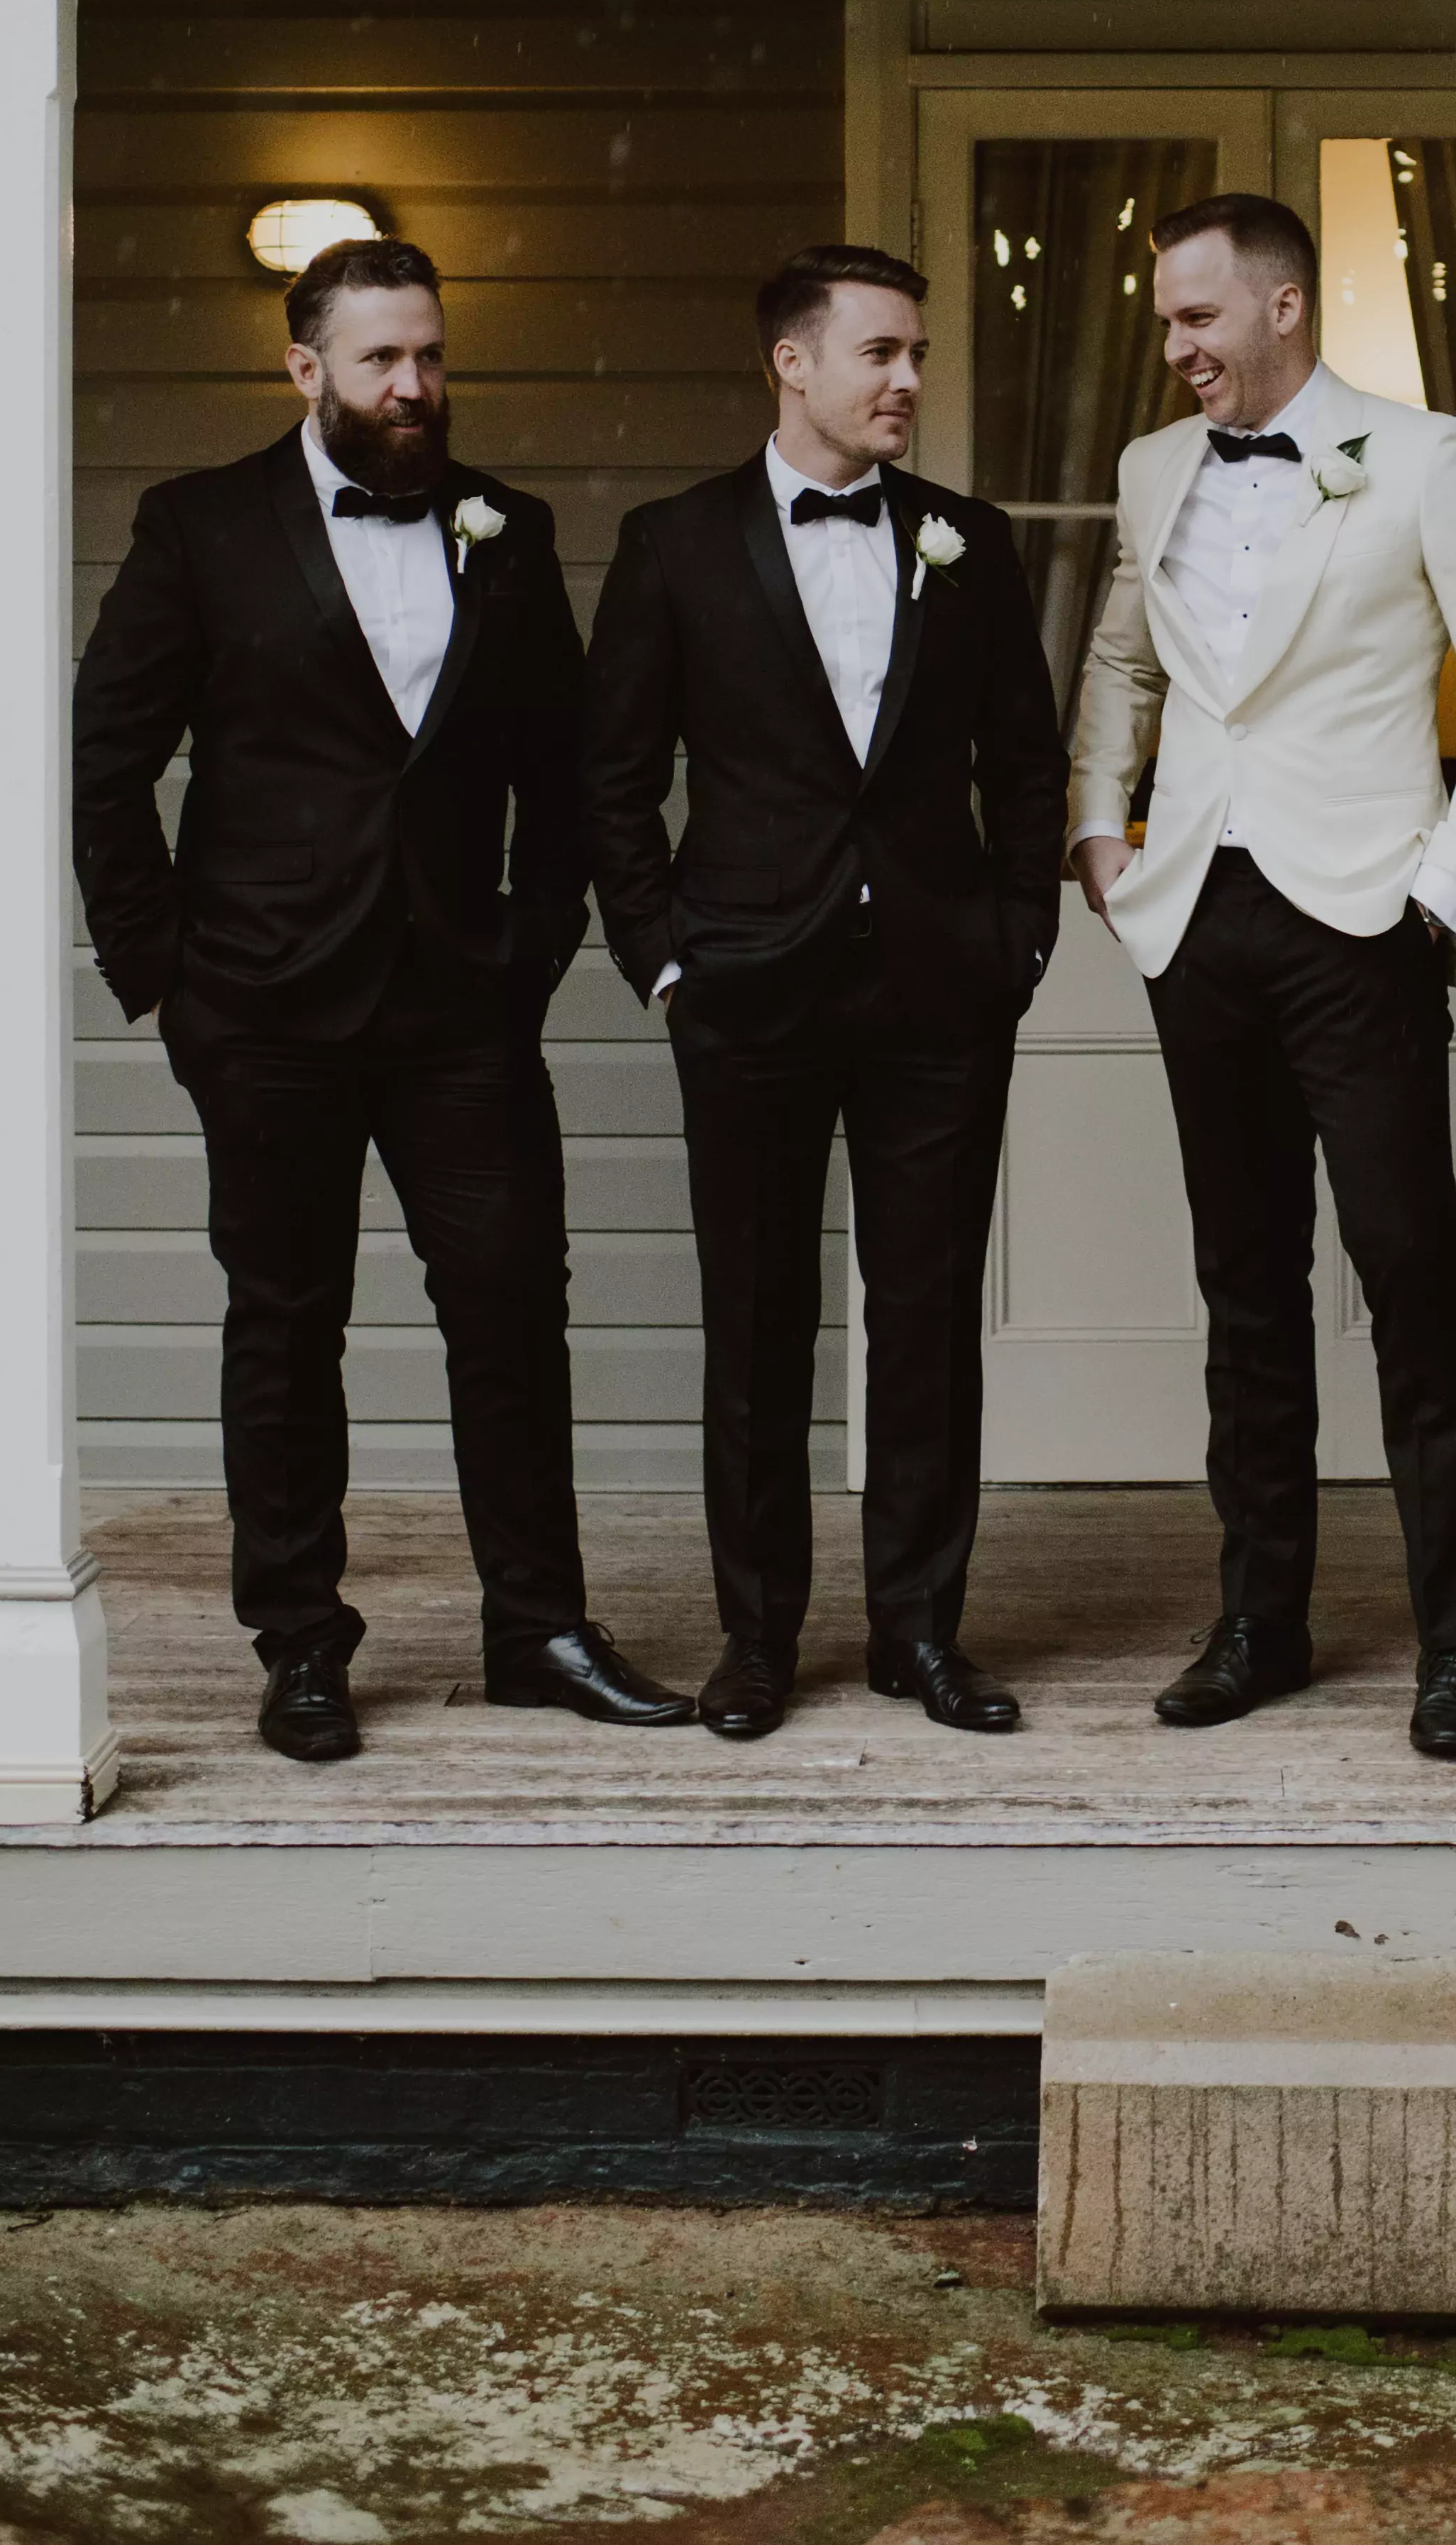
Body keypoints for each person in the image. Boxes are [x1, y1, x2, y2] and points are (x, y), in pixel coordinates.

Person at [72, 236, 691, 1764]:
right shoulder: (200, 526)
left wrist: (527, 951)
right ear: (304, 370)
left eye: (428, 355)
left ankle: (536, 1622)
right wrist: (168, 976)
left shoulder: (509, 529)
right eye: (378, 361)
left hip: (456, 1010)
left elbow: (566, 768)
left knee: (510, 1305)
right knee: (285, 1324)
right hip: (263, 1006)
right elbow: (105, 755)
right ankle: (299, 1643)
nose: (413, 386)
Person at [1069, 192, 1456, 1763]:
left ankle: (1450, 1638)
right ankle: (1259, 1619)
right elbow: (1120, 658)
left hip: (1362, 919)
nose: (1175, 349)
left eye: (1197, 318)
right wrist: (1098, 823)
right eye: (1166, 321)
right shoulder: (1155, 469)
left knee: (1411, 1269)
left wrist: (1441, 894)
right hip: (1193, 923)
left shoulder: (1423, 457)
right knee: (1243, 1282)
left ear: (1283, 306)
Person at [583, 246, 1066, 1742]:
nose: (907, 379)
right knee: (756, 1322)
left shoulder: (966, 542)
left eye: (915, 352)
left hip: (937, 991)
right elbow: (613, 778)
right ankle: (757, 1638)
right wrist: (665, 954)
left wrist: (1014, 942)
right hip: (746, 988)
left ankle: (921, 1629)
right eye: (878, 351)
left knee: (925, 1319)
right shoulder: (673, 543)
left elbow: (1023, 757)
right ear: (789, 363)